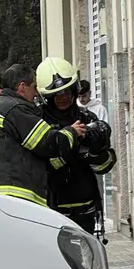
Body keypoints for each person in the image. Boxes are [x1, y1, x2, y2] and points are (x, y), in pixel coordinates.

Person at [0, 64, 86, 206]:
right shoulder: (16, 109)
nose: (36, 93)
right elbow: (49, 143)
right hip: (14, 197)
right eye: (34, 86)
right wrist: (72, 131)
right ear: (22, 87)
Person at [36, 57, 116, 234]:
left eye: (66, 91)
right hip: (51, 209)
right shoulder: (38, 122)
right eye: (57, 94)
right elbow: (38, 165)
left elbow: (104, 167)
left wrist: (96, 150)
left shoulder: (87, 118)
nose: (63, 97)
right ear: (47, 97)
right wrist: (70, 146)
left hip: (85, 207)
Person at [78, 79, 109, 202]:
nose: (82, 99)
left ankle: (99, 211)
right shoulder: (74, 108)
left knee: (96, 183)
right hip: (79, 153)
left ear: (90, 93)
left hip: (93, 152)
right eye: (79, 96)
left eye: (84, 96)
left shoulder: (99, 108)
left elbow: (104, 129)